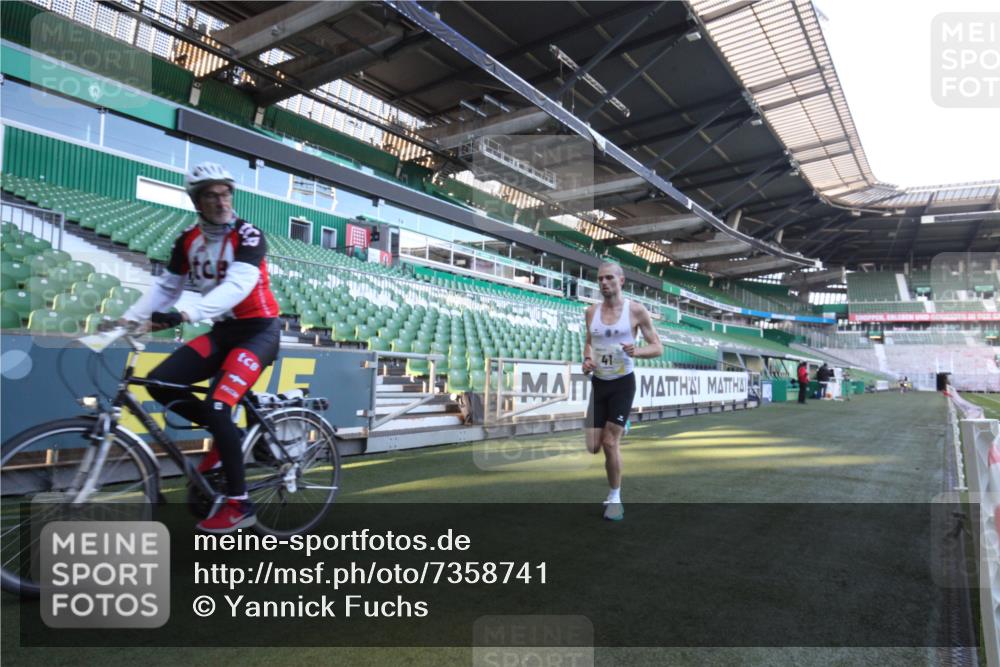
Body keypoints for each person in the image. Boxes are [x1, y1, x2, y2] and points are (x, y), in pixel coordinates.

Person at [121, 162, 280, 534]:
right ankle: (230, 439)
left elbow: (238, 286)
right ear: (198, 201)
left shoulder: (249, 235)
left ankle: (240, 506)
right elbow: (166, 287)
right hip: (224, 330)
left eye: (226, 193)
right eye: (211, 194)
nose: (221, 201)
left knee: (218, 404)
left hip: (259, 331)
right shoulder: (188, 240)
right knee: (160, 382)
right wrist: (128, 319)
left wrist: (183, 313)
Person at [582, 261, 662, 521]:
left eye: (609, 278)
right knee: (593, 446)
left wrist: (637, 351)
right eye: (600, 279)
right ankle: (622, 421)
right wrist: (586, 360)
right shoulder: (590, 312)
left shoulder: (636, 311)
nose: (604, 283)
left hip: (622, 383)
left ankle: (615, 498)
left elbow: (657, 347)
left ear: (621, 280)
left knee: (609, 442)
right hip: (599, 383)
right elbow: (588, 343)